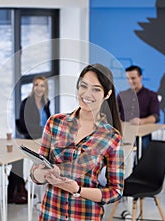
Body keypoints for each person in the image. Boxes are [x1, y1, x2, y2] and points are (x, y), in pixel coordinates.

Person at [30, 64, 124, 221]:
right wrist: (42, 173)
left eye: (96, 89)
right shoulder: (55, 123)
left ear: (107, 94)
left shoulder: (111, 137)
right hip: (50, 214)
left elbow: (116, 191)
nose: (87, 94)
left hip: (86, 215)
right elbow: (35, 174)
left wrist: (78, 189)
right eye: (83, 86)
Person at [117, 65, 160, 152]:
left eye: (133, 78)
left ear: (140, 77)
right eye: (128, 78)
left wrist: (141, 121)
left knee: (144, 148)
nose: (130, 81)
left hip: (143, 132)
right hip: (125, 132)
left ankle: (141, 165)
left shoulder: (151, 95)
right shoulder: (121, 95)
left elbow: (156, 117)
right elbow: (113, 112)